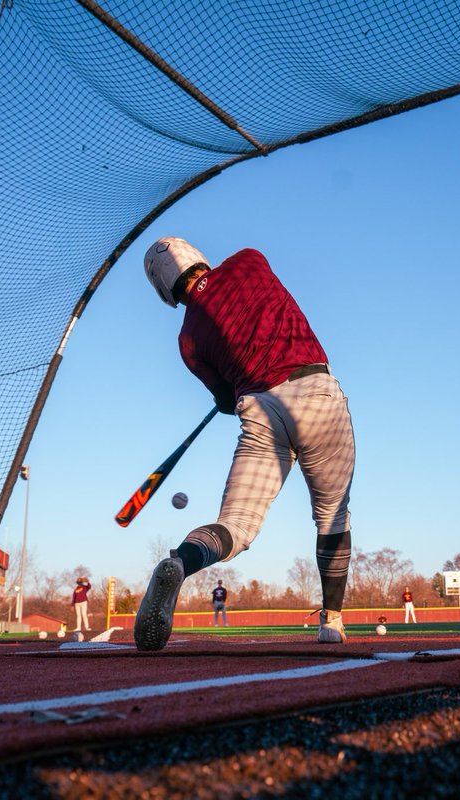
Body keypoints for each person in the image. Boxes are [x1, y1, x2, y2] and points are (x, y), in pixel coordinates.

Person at [135, 238, 356, 650]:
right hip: (315, 394)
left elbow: (223, 399)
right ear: (197, 257)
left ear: (165, 290)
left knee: (237, 525)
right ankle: (333, 621)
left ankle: (180, 562)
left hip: (259, 409)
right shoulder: (249, 260)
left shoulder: (188, 341)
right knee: (331, 515)